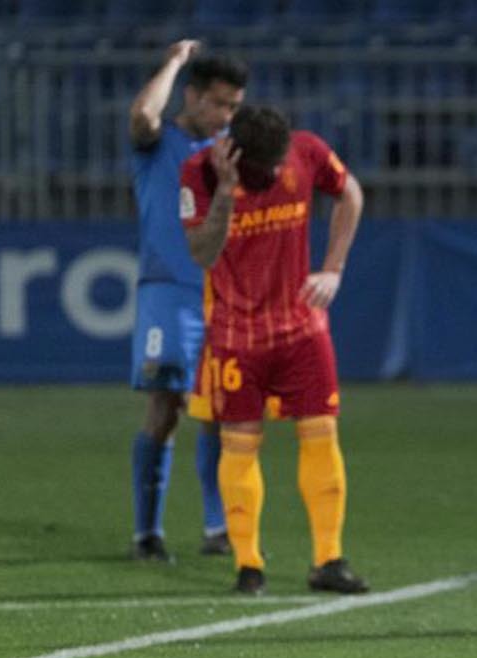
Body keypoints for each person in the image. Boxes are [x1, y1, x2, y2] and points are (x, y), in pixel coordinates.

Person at [181, 105, 369, 595]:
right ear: (238, 156)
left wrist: (333, 268)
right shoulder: (200, 173)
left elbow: (350, 193)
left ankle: (329, 559)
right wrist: (226, 192)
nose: (274, 172)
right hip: (236, 334)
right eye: (264, 167)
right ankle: (248, 565)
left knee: (322, 434)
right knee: (240, 443)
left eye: (278, 162)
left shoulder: (306, 151)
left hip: (301, 328)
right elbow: (202, 252)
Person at [127, 41, 247, 562]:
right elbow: (141, 114)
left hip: (221, 294)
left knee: (219, 408)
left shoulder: (230, 150)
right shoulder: (158, 142)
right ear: (192, 96)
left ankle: (218, 528)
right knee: (166, 406)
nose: (226, 115)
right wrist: (174, 62)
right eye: (219, 103)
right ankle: (147, 533)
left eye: (234, 106)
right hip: (168, 292)